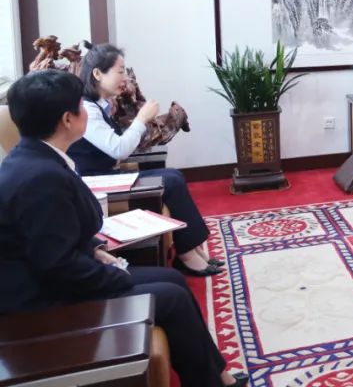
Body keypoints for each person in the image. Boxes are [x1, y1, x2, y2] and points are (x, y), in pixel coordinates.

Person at [0, 70, 247, 386]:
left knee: (172, 279)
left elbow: (52, 236)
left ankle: (216, 376)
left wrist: (95, 250)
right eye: (80, 105)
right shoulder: (40, 178)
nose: (85, 111)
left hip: (55, 278)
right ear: (67, 119)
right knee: (170, 297)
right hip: (42, 302)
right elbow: (57, 266)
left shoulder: (34, 159)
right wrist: (117, 275)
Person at [67, 43, 222, 277]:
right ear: (98, 74)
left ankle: (191, 248)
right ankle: (187, 254)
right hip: (95, 181)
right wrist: (141, 119)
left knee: (173, 176)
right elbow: (117, 149)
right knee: (171, 180)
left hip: (107, 175)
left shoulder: (100, 105)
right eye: (120, 71)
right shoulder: (87, 109)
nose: (124, 78)